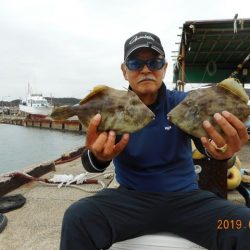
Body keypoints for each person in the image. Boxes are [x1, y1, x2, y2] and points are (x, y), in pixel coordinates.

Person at [60, 31, 250, 250]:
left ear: (165, 68)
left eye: (155, 62)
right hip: (130, 201)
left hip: (187, 201)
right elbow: (89, 161)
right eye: (135, 62)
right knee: (77, 218)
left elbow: (205, 143)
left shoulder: (184, 103)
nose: (145, 69)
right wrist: (98, 156)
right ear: (124, 71)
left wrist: (222, 151)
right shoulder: (114, 107)